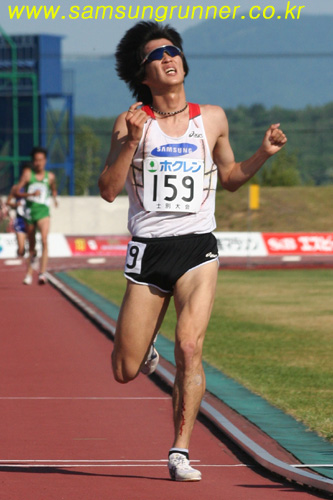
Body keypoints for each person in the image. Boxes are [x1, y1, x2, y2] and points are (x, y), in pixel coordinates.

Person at [99, 21, 287, 482]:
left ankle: (180, 450)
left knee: (190, 345)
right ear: (142, 74)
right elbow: (107, 190)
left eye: (173, 50)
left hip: (198, 247)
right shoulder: (130, 121)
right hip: (148, 249)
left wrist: (261, 153)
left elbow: (230, 179)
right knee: (124, 370)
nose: (168, 57)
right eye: (156, 55)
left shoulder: (213, 118)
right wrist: (129, 143)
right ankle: (144, 352)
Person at [15, 147, 58, 285]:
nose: (38, 163)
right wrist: (30, 195)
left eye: (41, 160)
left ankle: (42, 273)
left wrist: (55, 198)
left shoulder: (50, 177)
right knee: (32, 246)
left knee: (44, 240)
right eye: (36, 160)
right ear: (33, 162)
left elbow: (53, 189)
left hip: (43, 212)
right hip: (30, 213)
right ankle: (29, 273)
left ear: (45, 161)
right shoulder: (28, 175)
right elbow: (17, 192)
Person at [6, 162, 31, 257]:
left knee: (33, 249)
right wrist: (16, 204)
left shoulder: (32, 187)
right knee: (21, 250)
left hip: (31, 219)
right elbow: (8, 202)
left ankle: (31, 270)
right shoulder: (16, 188)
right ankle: (20, 267)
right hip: (20, 219)